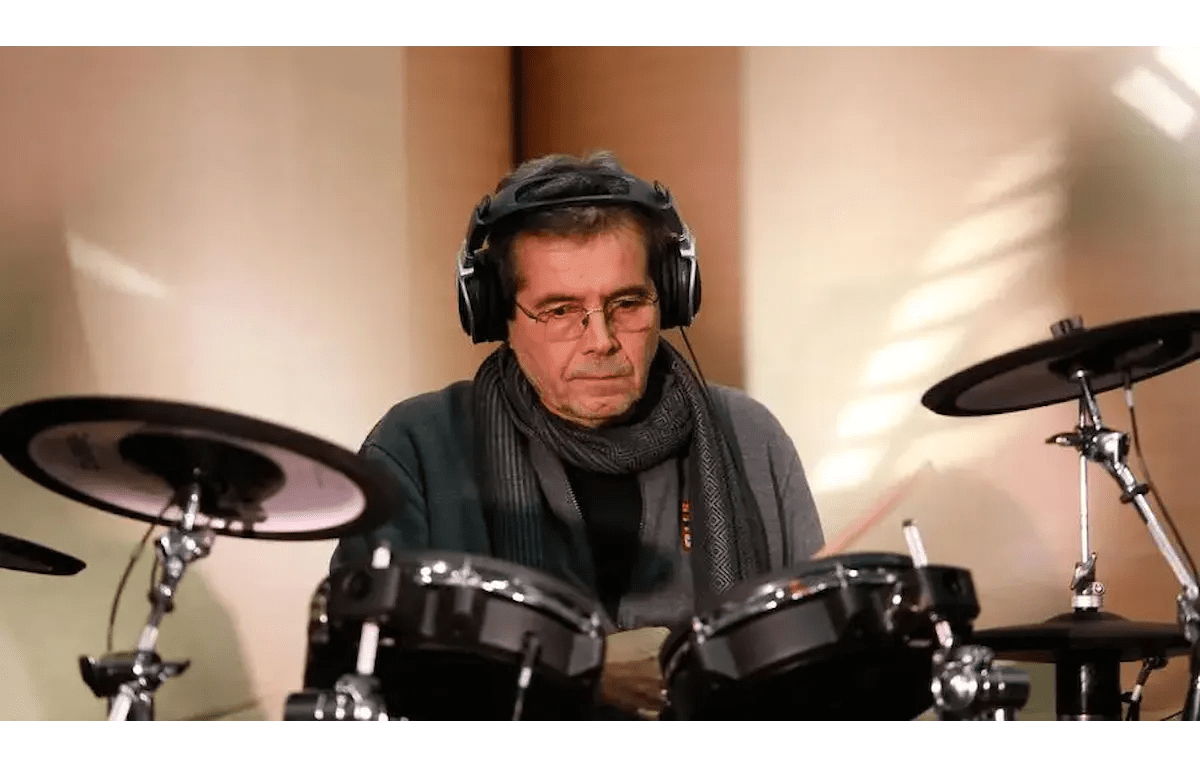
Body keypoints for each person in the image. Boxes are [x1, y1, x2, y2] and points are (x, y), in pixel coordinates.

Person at [331, 151, 825, 718]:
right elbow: (363, 670)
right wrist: (577, 669)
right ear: (496, 315)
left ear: (670, 295)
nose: (601, 340)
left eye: (628, 303)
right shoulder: (416, 446)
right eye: (561, 310)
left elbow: (814, 665)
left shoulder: (750, 437)